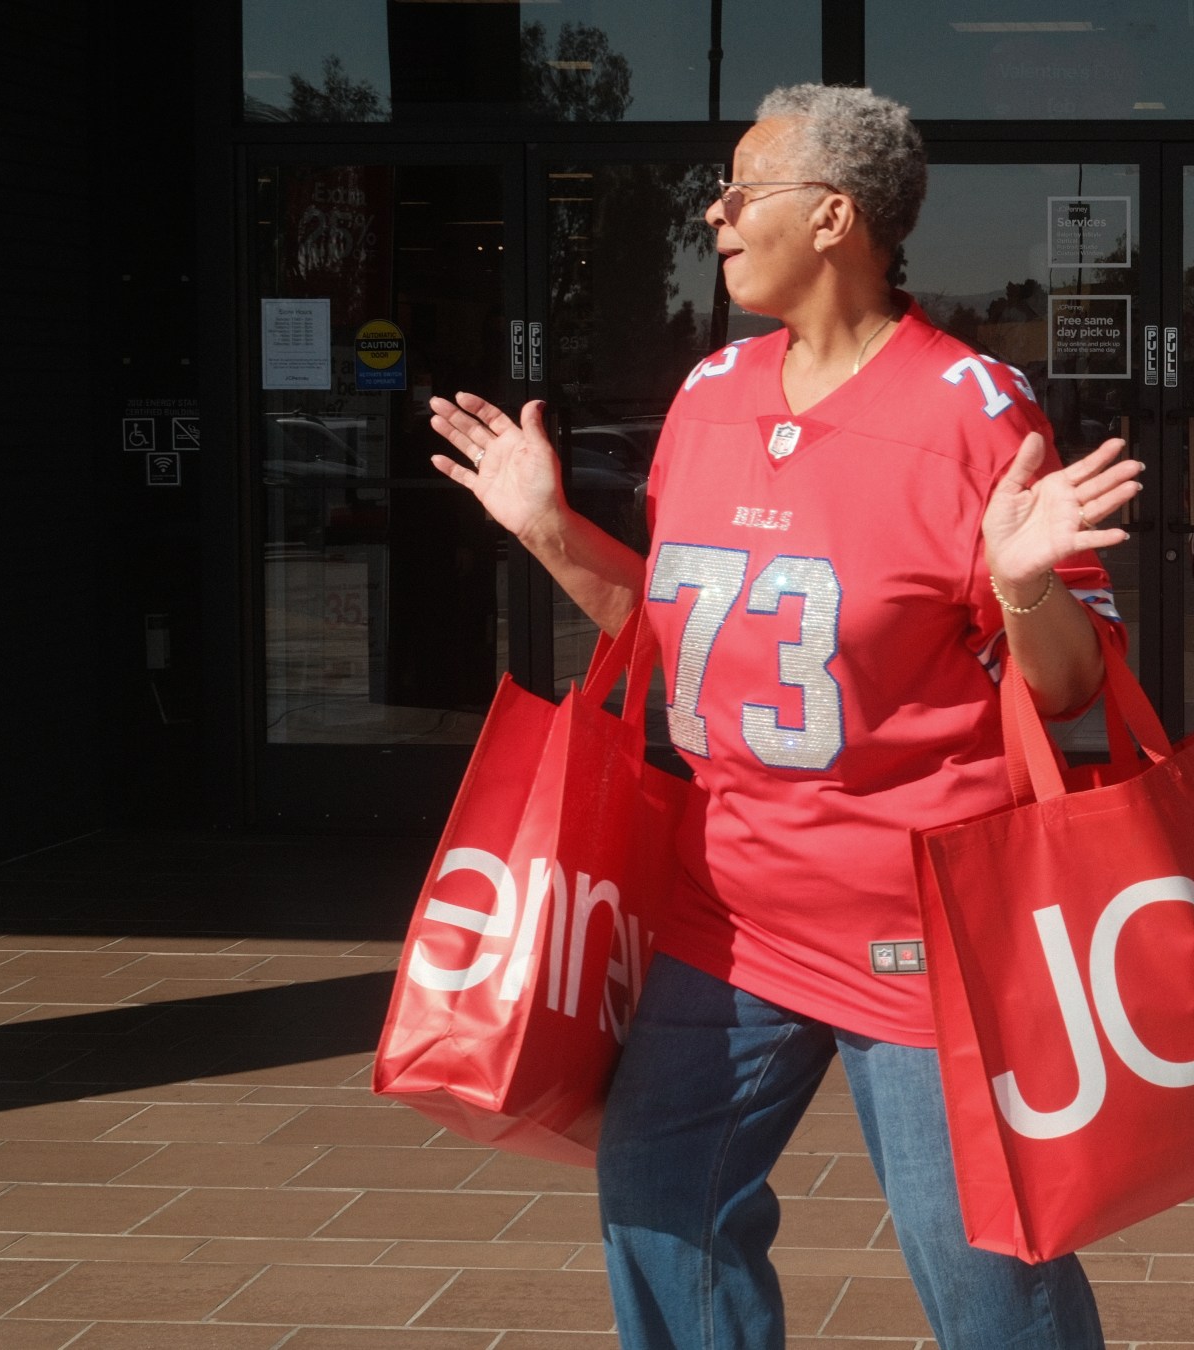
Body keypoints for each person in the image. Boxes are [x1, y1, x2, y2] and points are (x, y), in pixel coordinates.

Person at [424, 84, 1136, 1349]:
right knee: (655, 1202)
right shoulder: (708, 393)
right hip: (730, 907)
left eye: (742, 190)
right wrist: (544, 527)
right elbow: (671, 632)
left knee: (983, 1272)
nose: (715, 212)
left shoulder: (973, 413)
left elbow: (1069, 686)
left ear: (833, 215)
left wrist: (1023, 586)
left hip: (916, 923)